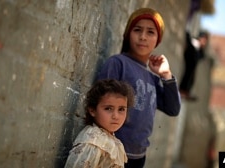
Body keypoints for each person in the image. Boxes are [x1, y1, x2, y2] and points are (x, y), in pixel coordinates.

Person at [96, 8, 181, 168]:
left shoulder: (153, 79)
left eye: (150, 32)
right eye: (137, 30)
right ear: (128, 34)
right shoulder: (118, 64)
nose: (143, 37)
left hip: (138, 157)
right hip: (112, 154)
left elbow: (173, 108)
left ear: (158, 40)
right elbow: (100, 105)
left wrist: (166, 75)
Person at [64, 79, 135, 168]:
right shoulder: (94, 143)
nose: (116, 116)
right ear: (92, 110)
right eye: (108, 108)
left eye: (121, 109)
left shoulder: (109, 138)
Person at [179, 30, 209, 100]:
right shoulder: (192, 44)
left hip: (190, 71)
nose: (204, 43)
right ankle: (182, 91)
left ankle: (185, 91)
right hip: (185, 67)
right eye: (204, 40)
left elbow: (201, 56)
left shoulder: (199, 50)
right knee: (187, 75)